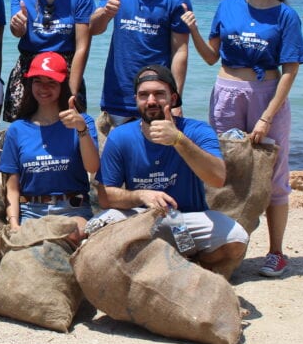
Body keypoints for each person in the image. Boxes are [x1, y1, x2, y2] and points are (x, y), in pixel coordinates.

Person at [180, 0, 303, 278]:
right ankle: (227, 250)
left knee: (274, 176)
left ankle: (276, 252)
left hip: (267, 96)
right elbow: (210, 58)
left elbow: (290, 69)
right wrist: (192, 29)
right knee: (224, 172)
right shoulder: (227, 7)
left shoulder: (286, 16)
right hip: (226, 92)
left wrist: (267, 117)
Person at [91, 65, 248, 279]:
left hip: (187, 219)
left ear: (173, 98)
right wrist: (140, 195)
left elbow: (218, 178)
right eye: (144, 95)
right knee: (94, 230)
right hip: (139, 220)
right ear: (136, 99)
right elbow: (105, 196)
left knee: (236, 239)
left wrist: (178, 140)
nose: (152, 101)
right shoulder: (121, 136)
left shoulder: (196, 131)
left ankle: (193, 267)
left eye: (159, 94)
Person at [89, 0, 192, 125]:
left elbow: (180, 50)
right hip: (118, 97)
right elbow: (93, 28)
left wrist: (176, 99)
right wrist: (105, 13)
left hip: (156, 100)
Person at [0, 52, 99, 236]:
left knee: (71, 233)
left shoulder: (83, 122)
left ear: (62, 85)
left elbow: (92, 167)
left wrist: (81, 129)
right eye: (38, 81)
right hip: (31, 212)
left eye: (51, 82)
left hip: (74, 210)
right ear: (30, 84)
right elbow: (12, 187)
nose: (44, 88)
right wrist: (14, 224)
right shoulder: (17, 129)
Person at [5, 0, 94, 120]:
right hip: (30, 70)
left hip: (66, 69)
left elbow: (82, 46)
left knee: (69, 127)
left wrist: (72, 89)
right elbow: (17, 31)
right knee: (24, 128)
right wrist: (17, 24)